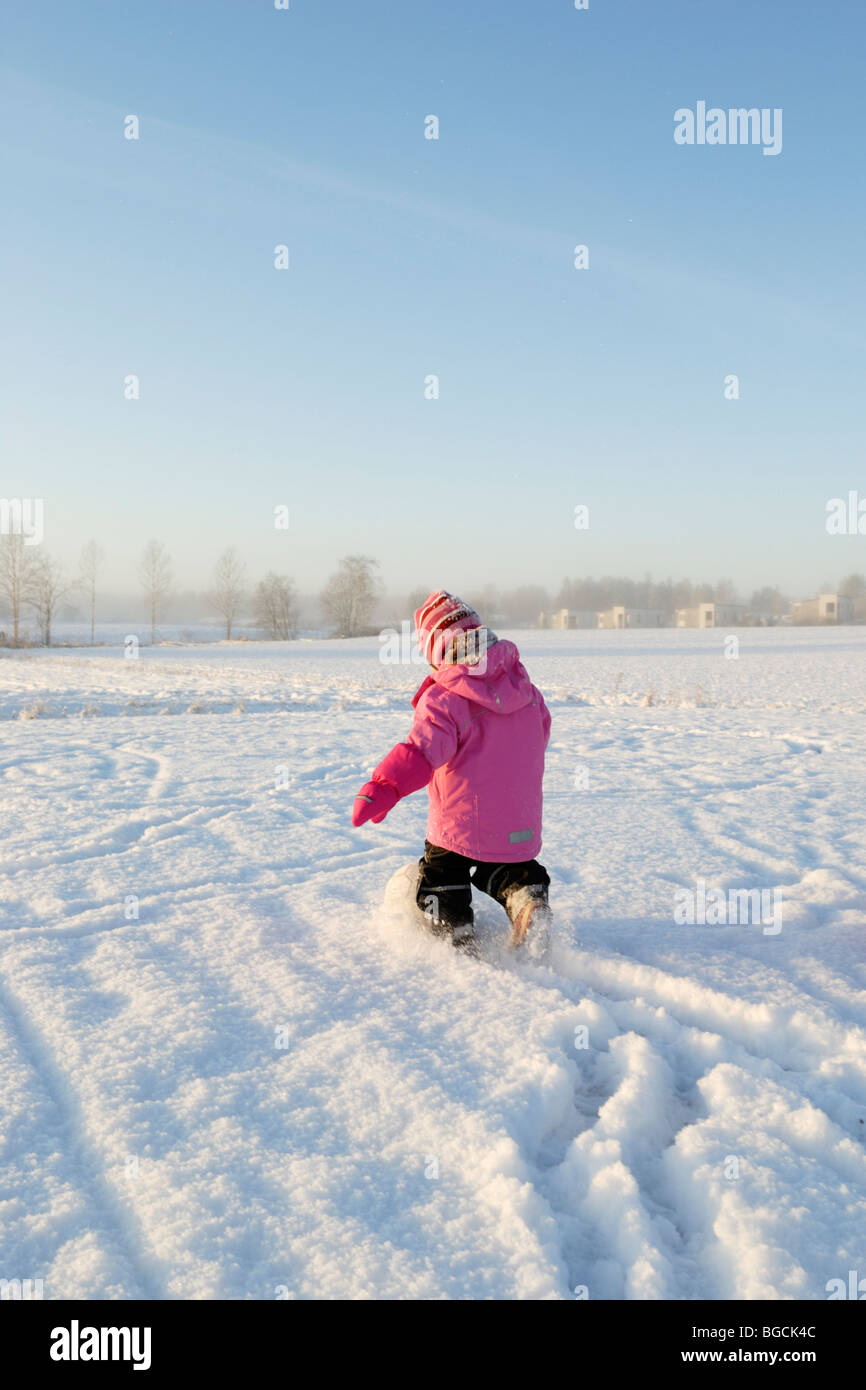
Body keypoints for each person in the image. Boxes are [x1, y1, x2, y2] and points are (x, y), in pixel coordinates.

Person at [351, 590, 552, 953]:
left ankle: (453, 934)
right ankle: (528, 897)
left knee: (443, 871)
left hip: (459, 819)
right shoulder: (525, 688)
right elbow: (541, 734)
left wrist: (383, 788)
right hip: (520, 816)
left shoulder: (446, 698)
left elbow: (419, 753)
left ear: (437, 653)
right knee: (507, 865)